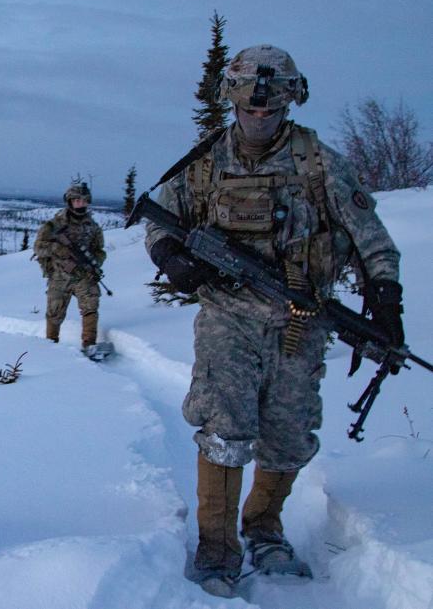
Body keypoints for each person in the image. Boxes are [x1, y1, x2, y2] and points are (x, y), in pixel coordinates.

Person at [144, 45, 404, 598]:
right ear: (232, 99)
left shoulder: (320, 164)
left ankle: (264, 529)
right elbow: (161, 221)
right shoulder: (206, 164)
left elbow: (372, 241)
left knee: (287, 434)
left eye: (271, 108)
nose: (259, 117)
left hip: (301, 320)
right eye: (249, 107)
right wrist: (171, 258)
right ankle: (216, 549)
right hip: (228, 319)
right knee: (224, 427)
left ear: (291, 99)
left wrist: (385, 301)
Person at [33, 182, 106, 355]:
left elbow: (100, 251)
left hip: (83, 275)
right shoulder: (54, 225)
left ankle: (90, 345)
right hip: (60, 275)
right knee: (55, 312)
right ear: (70, 201)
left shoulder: (93, 227)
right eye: (77, 200)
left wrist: (94, 262)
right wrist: (57, 249)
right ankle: (50, 345)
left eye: (84, 200)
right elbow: (38, 248)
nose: (81, 204)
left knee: (91, 306)